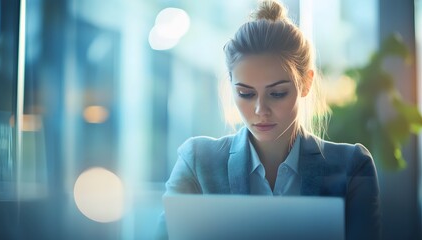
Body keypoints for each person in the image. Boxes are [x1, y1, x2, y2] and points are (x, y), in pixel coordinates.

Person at [156, 0, 380, 239]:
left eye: (277, 93)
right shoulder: (197, 162)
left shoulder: (352, 167)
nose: (261, 109)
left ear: (306, 83)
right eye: (246, 93)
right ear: (230, 85)